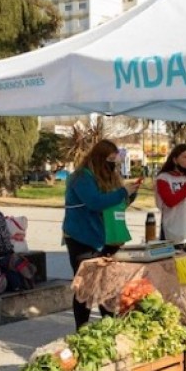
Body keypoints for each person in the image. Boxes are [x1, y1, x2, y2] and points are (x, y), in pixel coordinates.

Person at [63, 140, 140, 330]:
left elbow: (114, 206)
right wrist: (123, 191)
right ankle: (82, 330)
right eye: (110, 159)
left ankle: (109, 328)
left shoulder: (109, 177)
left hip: (106, 238)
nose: (112, 164)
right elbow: (95, 202)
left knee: (108, 286)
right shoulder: (81, 177)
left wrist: (130, 195)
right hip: (82, 238)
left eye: (115, 160)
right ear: (99, 158)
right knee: (85, 287)